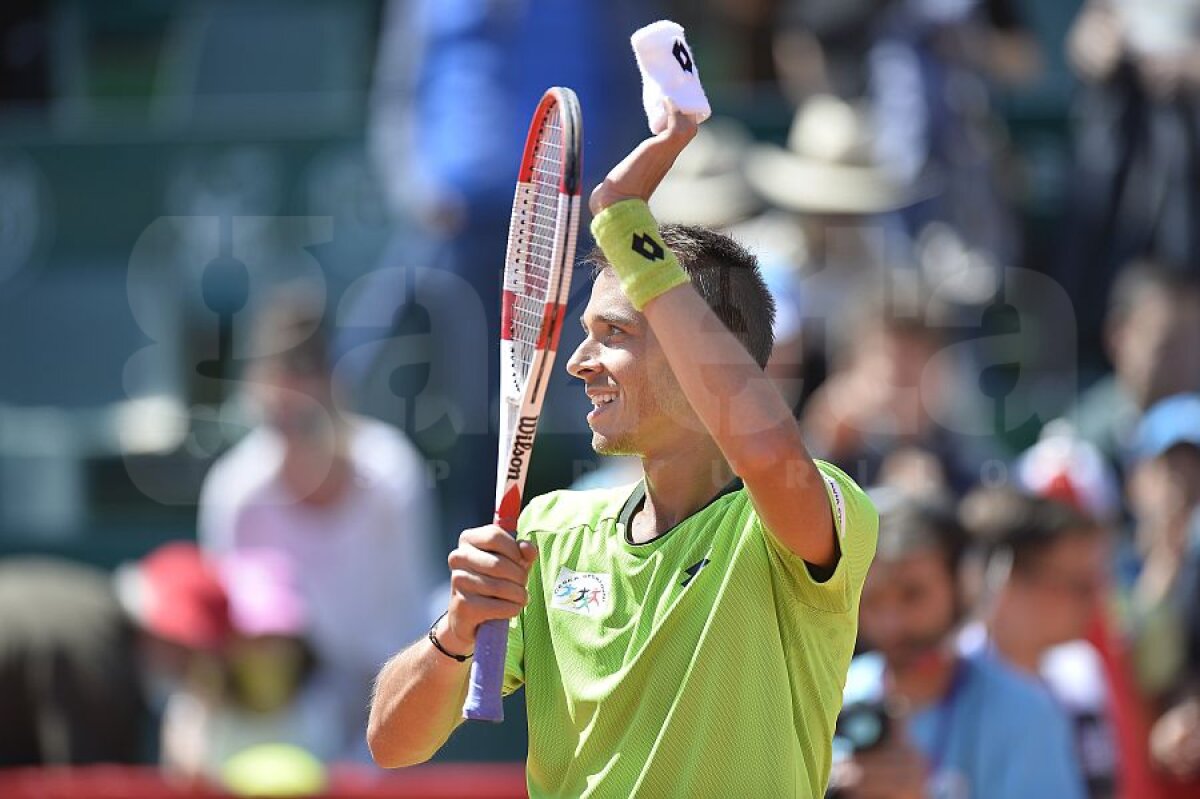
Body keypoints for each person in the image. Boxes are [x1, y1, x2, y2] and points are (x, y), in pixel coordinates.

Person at [368, 110, 878, 795]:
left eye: (612, 332)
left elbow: (765, 448)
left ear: (702, 355)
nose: (578, 361)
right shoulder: (548, 532)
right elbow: (392, 742)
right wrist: (458, 628)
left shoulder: (808, 514)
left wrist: (622, 223)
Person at [198, 285, 440, 762]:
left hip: (398, 708)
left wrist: (368, 753)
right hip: (283, 725)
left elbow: (414, 625)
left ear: (336, 394)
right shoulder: (234, 494)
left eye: (306, 420)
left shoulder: (393, 476)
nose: (292, 441)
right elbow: (228, 649)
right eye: (276, 420)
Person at [832, 494, 1086, 798]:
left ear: (962, 585)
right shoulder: (834, 697)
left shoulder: (1025, 715)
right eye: (871, 600)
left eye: (912, 595)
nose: (891, 623)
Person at [958, 487, 1119, 798]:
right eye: (1078, 584)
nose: (1094, 600)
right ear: (1006, 580)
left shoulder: (1081, 672)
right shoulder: (946, 684)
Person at [1070, 262, 1200, 474]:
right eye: (1168, 346)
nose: (1187, 362)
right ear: (1118, 337)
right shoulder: (1081, 448)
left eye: (1194, 345)